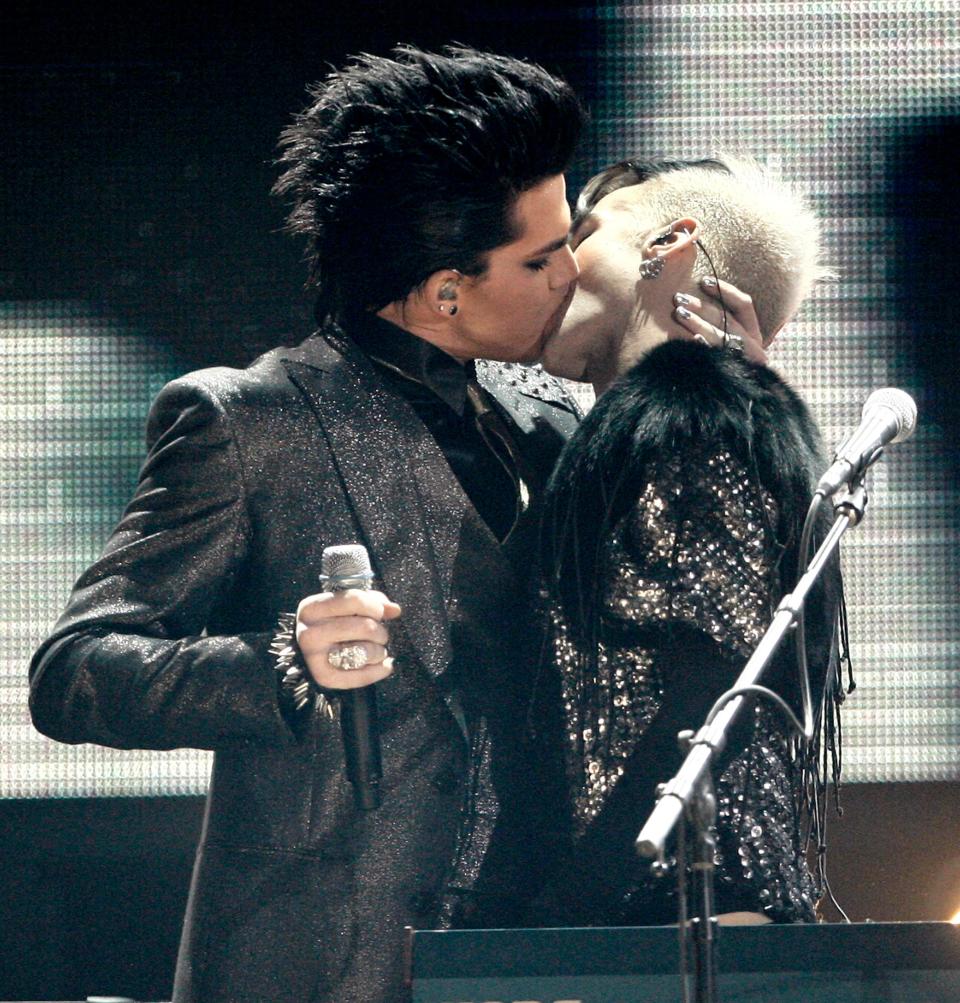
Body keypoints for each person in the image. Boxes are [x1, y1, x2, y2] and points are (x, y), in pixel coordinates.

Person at [27, 47, 764, 1003]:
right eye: (541, 257)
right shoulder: (250, 422)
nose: (574, 269)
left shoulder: (553, 429)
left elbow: (686, 645)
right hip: (322, 968)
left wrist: (711, 409)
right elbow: (75, 671)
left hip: (531, 964)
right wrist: (282, 663)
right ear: (448, 290)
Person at [532, 155, 844, 927]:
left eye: (580, 233)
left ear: (668, 244)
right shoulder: (713, 426)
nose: (557, 265)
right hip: (680, 909)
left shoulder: (698, 422)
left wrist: (571, 903)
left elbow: (716, 681)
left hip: (682, 913)